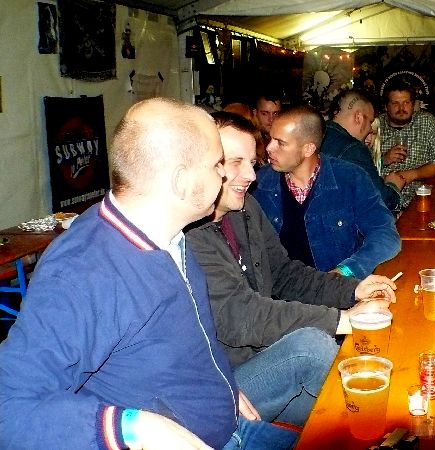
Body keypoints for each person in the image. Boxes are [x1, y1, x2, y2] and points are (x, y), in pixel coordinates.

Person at [0, 98, 295, 449]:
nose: (225, 174)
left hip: (232, 421)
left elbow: (190, 341)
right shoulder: (84, 272)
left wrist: (224, 386)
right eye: (218, 163)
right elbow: (9, 408)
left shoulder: (172, 234)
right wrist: (136, 427)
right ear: (181, 181)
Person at [186, 111, 396, 424]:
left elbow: (284, 274)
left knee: (357, 415)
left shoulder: (244, 209)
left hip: (261, 359)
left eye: (251, 162)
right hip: (218, 385)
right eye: (235, 162)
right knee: (311, 347)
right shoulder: (188, 232)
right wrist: (343, 320)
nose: (252, 175)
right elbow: (241, 315)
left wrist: (353, 289)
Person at [253, 105, 401, 279]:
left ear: (308, 148)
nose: (269, 148)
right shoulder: (260, 183)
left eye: (281, 143)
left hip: (335, 290)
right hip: (279, 292)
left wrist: (346, 271)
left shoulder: (349, 178)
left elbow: (385, 235)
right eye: (271, 139)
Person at [320, 89, 404, 211]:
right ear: (358, 117)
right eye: (370, 121)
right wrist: (393, 185)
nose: (370, 128)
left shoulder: (316, 134)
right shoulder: (353, 149)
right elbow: (381, 201)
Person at [377, 82, 435, 208]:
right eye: (395, 103)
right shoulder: (375, 125)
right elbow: (360, 166)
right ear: (386, 106)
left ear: (413, 105)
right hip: (381, 199)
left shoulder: (426, 121)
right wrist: (384, 159)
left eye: (406, 102)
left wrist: (412, 174)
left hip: (418, 198)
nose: (401, 108)